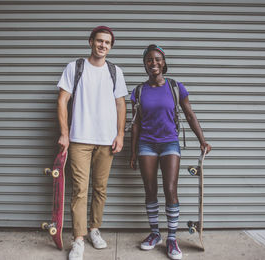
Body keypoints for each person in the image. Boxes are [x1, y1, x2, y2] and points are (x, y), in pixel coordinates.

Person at [129, 44, 211, 260]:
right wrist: (132, 153)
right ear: (145, 64)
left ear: (163, 62)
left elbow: (190, 115)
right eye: (149, 60)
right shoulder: (138, 91)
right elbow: (135, 124)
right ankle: (155, 233)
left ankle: (172, 238)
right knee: (149, 188)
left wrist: (202, 140)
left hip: (169, 143)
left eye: (157, 59)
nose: (153, 63)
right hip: (146, 144)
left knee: (170, 188)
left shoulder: (176, 87)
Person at [57, 26, 128, 260]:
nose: (103, 45)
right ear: (91, 42)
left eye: (107, 42)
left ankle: (94, 229)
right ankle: (78, 239)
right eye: (99, 41)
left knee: (100, 189)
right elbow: (62, 100)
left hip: (106, 141)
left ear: (110, 46)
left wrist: (120, 135)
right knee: (79, 190)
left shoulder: (115, 71)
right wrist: (65, 134)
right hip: (79, 140)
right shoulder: (75, 67)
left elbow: (120, 104)